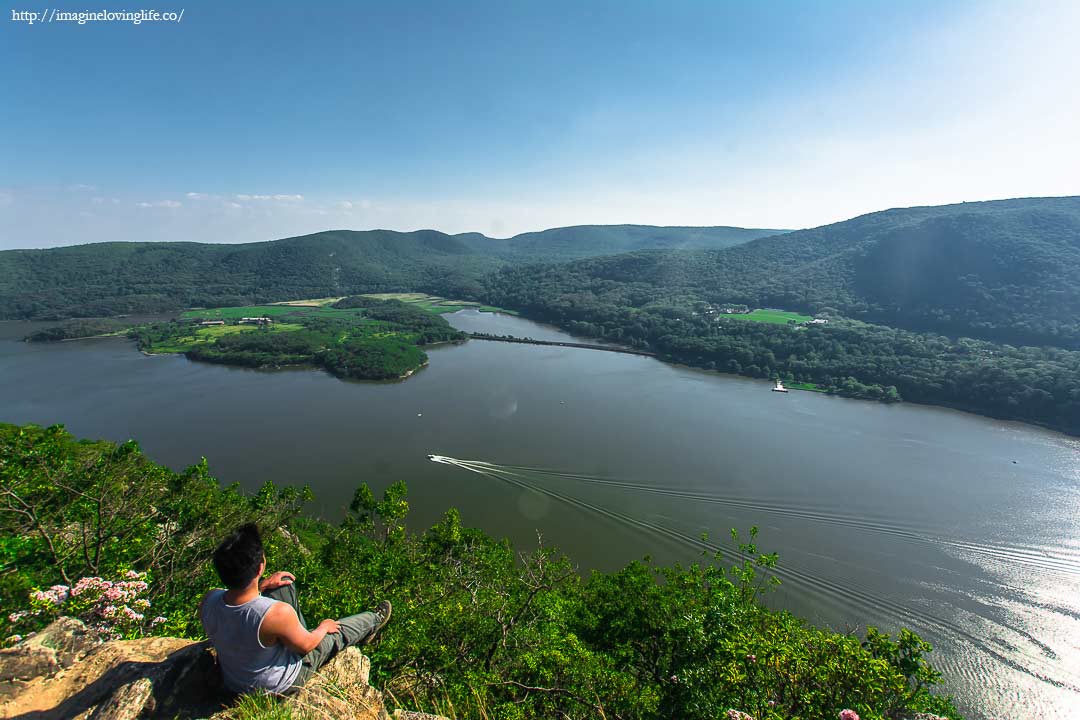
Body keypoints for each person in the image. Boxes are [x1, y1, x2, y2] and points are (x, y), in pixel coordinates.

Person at [199, 523, 392, 694]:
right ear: (259, 568)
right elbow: (307, 646)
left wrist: (263, 586)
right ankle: (374, 620)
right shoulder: (275, 614)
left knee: (284, 584)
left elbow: (239, 614)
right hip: (275, 686)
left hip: (236, 679)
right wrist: (323, 627)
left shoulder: (209, 599)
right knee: (335, 633)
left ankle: (293, 632)